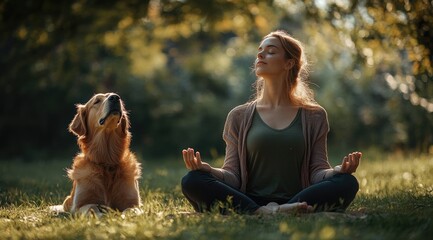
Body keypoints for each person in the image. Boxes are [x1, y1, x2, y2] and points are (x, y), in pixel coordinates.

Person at [181, 30, 362, 214]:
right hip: (248, 198)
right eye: (260, 50)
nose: (260, 54)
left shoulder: (314, 115)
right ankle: (263, 211)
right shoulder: (239, 116)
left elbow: (318, 172)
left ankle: (273, 209)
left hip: (299, 198)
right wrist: (208, 169)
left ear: (289, 63)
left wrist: (337, 171)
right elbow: (233, 176)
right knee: (193, 180)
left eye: (271, 51)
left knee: (347, 182)